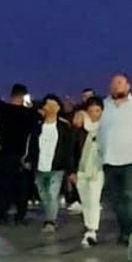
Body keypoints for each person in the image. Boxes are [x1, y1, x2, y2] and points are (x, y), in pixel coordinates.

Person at [97, 73, 132, 244]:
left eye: (120, 83)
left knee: (130, 195)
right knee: (116, 199)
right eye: (113, 83)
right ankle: (125, 231)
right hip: (109, 160)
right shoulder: (104, 106)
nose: (116, 86)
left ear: (128, 86)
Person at [27, 94, 76, 234]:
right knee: (43, 194)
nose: (51, 108)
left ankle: (50, 221)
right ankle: (49, 216)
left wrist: (70, 168)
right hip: (40, 166)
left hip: (57, 167)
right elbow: (31, 145)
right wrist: (30, 160)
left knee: (53, 194)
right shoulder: (37, 126)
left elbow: (68, 149)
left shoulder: (64, 127)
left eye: (54, 105)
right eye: (49, 105)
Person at [0, 84, 35, 224]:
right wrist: (30, 106)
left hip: (1, 156)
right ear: (23, 96)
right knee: (22, 188)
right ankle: (20, 216)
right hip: (21, 156)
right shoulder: (26, 114)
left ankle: (2, 215)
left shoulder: (0, 111)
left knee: (3, 186)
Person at [73, 95, 105, 246]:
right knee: (85, 200)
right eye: (91, 111)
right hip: (81, 168)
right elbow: (72, 149)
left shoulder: (105, 129)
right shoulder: (80, 129)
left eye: (98, 111)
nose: (94, 114)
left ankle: (92, 230)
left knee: (94, 198)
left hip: (98, 169)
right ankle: (89, 227)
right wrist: (71, 171)